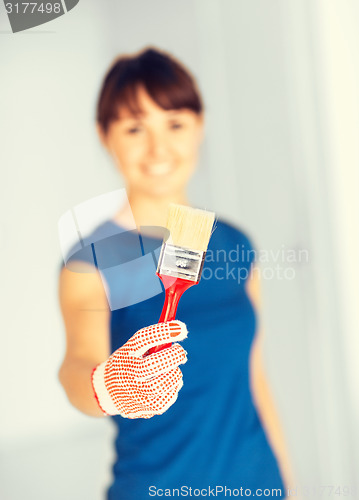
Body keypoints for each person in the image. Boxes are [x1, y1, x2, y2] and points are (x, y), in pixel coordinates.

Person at [58, 47, 294, 499]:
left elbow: (255, 378)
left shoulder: (236, 246)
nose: (158, 148)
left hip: (257, 483)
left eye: (175, 123)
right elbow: (75, 366)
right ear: (105, 135)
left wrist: (288, 482)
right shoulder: (90, 262)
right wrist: (107, 386)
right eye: (134, 127)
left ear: (200, 126)